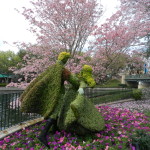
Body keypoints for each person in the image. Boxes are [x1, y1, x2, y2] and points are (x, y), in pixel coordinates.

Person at [20, 52, 79, 148]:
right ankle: (42, 135)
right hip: (58, 95)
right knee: (55, 113)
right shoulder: (63, 70)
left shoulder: (51, 68)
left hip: (51, 96)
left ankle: (54, 129)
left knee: (56, 112)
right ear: (65, 60)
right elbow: (74, 81)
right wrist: (79, 82)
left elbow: (40, 79)